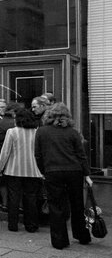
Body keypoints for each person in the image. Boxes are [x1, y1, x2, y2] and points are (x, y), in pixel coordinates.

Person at [34, 103, 93, 250]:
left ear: (49, 115)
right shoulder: (73, 132)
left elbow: (38, 155)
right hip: (74, 171)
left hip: (53, 171)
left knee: (56, 206)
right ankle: (82, 235)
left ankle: (60, 241)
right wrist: (87, 174)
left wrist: (43, 171)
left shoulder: (41, 132)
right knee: (77, 204)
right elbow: (81, 155)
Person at [0, 109, 42, 233]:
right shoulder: (36, 132)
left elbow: (5, 151)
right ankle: (31, 225)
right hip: (33, 170)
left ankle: (13, 224)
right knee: (31, 198)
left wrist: (0, 167)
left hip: (14, 169)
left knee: (14, 197)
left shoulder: (12, 132)